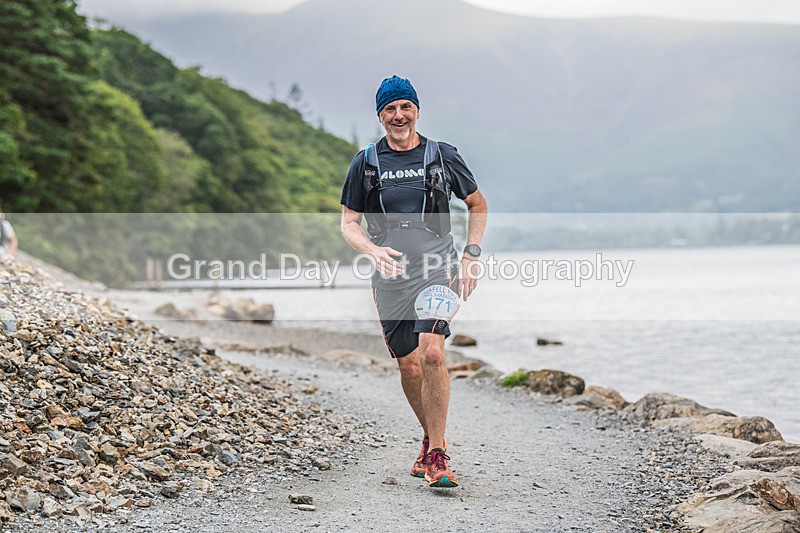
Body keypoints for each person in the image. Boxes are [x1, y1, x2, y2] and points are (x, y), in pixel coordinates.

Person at [340, 75, 488, 488]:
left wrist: (470, 257)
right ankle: (429, 438)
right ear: (380, 115)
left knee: (433, 354)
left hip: (437, 270)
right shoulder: (365, 162)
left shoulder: (442, 155)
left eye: (406, 107)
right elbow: (348, 223)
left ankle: (438, 455)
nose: (399, 115)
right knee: (408, 366)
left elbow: (477, 205)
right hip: (390, 277)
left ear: (417, 110)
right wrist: (371, 250)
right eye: (390, 109)